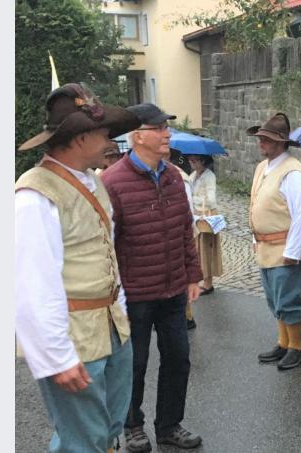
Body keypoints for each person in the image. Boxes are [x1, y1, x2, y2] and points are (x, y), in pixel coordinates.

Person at [15, 83, 139, 453]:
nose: (109, 142)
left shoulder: (92, 182)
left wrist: (123, 312)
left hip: (111, 326)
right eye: (103, 133)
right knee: (81, 440)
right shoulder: (35, 196)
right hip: (74, 337)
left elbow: (106, 257)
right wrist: (57, 358)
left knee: (107, 428)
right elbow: (31, 286)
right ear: (80, 137)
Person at [101, 102, 203, 452]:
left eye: (166, 128)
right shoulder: (112, 182)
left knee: (178, 359)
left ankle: (169, 425)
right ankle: (132, 426)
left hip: (173, 289)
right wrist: (115, 295)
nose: (166, 134)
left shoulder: (174, 176)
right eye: (159, 128)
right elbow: (107, 247)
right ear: (137, 135)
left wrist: (193, 275)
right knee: (135, 364)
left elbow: (184, 230)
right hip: (135, 295)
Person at [246, 112, 301, 370]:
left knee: (289, 299)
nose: (261, 142)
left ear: (281, 142)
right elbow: (255, 203)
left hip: (285, 248)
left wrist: (294, 250)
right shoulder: (263, 167)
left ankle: (297, 347)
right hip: (266, 246)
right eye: (260, 138)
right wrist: (255, 236)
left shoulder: (293, 171)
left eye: (267, 139)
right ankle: (283, 342)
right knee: (274, 299)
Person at [168, 149, 198, 330]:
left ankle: (187, 316)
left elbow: (188, 212)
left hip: (179, 237)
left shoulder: (180, 177)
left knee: (181, 277)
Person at [188, 154, 223, 295]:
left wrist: (193, 198)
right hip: (197, 216)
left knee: (206, 250)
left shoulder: (209, 176)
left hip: (207, 216)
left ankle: (208, 284)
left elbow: (211, 200)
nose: (192, 162)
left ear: (202, 160)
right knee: (196, 250)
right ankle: (201, 279)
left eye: (195, 160)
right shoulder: (193, 175)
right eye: (190, 160)